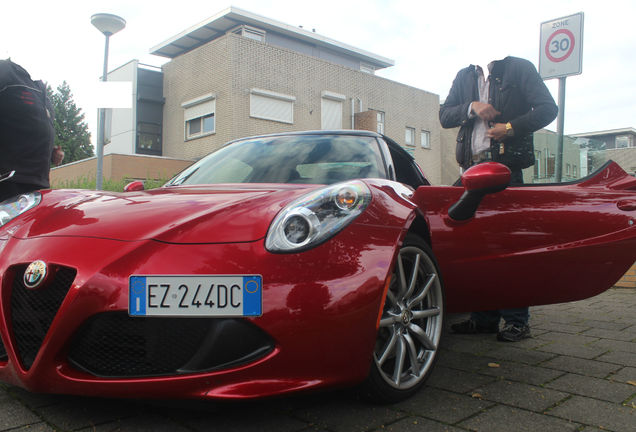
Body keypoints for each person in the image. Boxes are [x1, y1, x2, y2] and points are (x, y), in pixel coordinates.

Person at [439, 56, 558, 342]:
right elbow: (444, 117)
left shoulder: (519, 68)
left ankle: (517, 321)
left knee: (510, 247)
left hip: (506, 170)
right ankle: (484, 319)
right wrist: (471, 107)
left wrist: (510, 127)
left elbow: (548, 109)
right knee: (477, 247)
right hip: (471, 171)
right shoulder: (464, 74)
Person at [0, 59, 64, 202]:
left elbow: (34, 129)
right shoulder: (5, 70)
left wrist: (50, 152)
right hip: (9, 181)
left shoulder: (39, 88)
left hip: (39, 182)